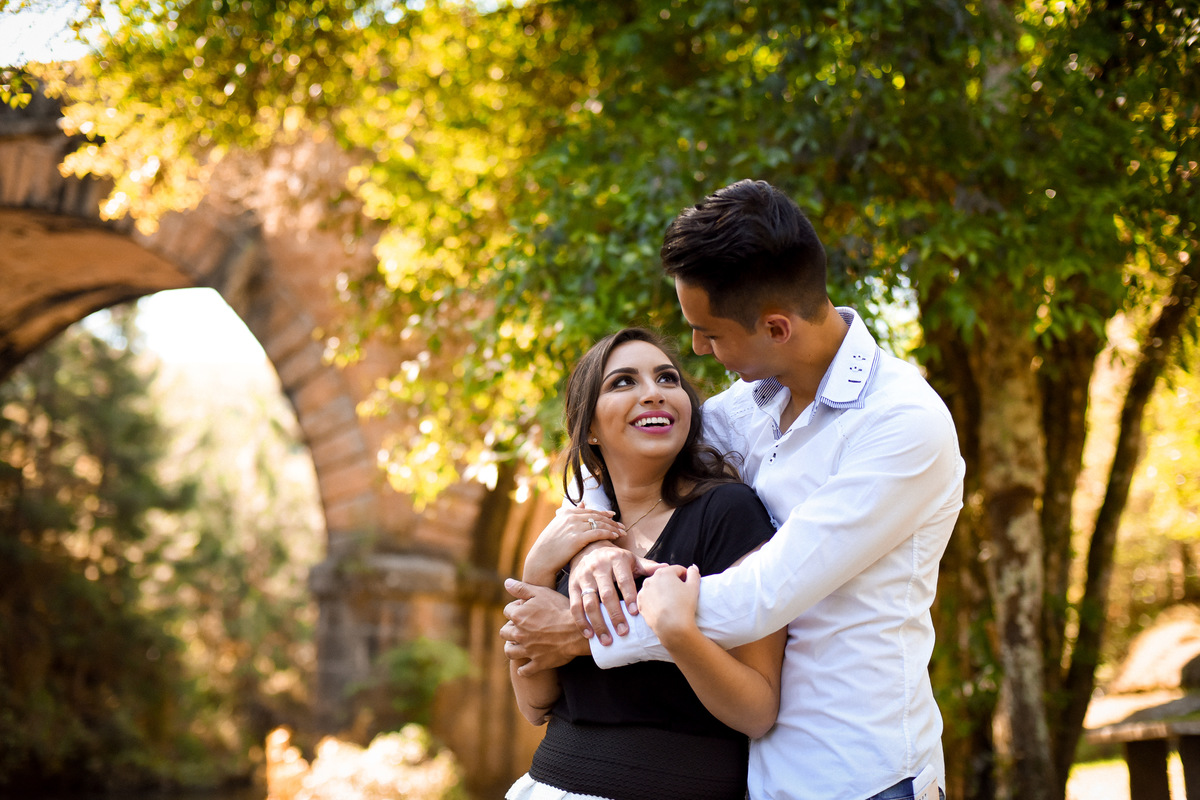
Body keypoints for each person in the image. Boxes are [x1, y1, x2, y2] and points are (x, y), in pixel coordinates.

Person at [501, 180, 965, 800]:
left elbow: (762, 594)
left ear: (775, 327)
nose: (696, 347)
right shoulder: (748, 406)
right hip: (749, 777)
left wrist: (583, 630)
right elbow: (616, 461)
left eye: (709, 333)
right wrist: (593, 550)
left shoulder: (901, 424)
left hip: (858, 773)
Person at [505, 326, 786, 800]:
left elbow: (758, 710)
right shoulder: (574, 533)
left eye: (667, 379)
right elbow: (535, 704)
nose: (653, 393)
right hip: (550, 785)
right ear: (589, 428)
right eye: (623, 382)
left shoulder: (728, 512)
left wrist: (677, 635)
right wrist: (536, 571)